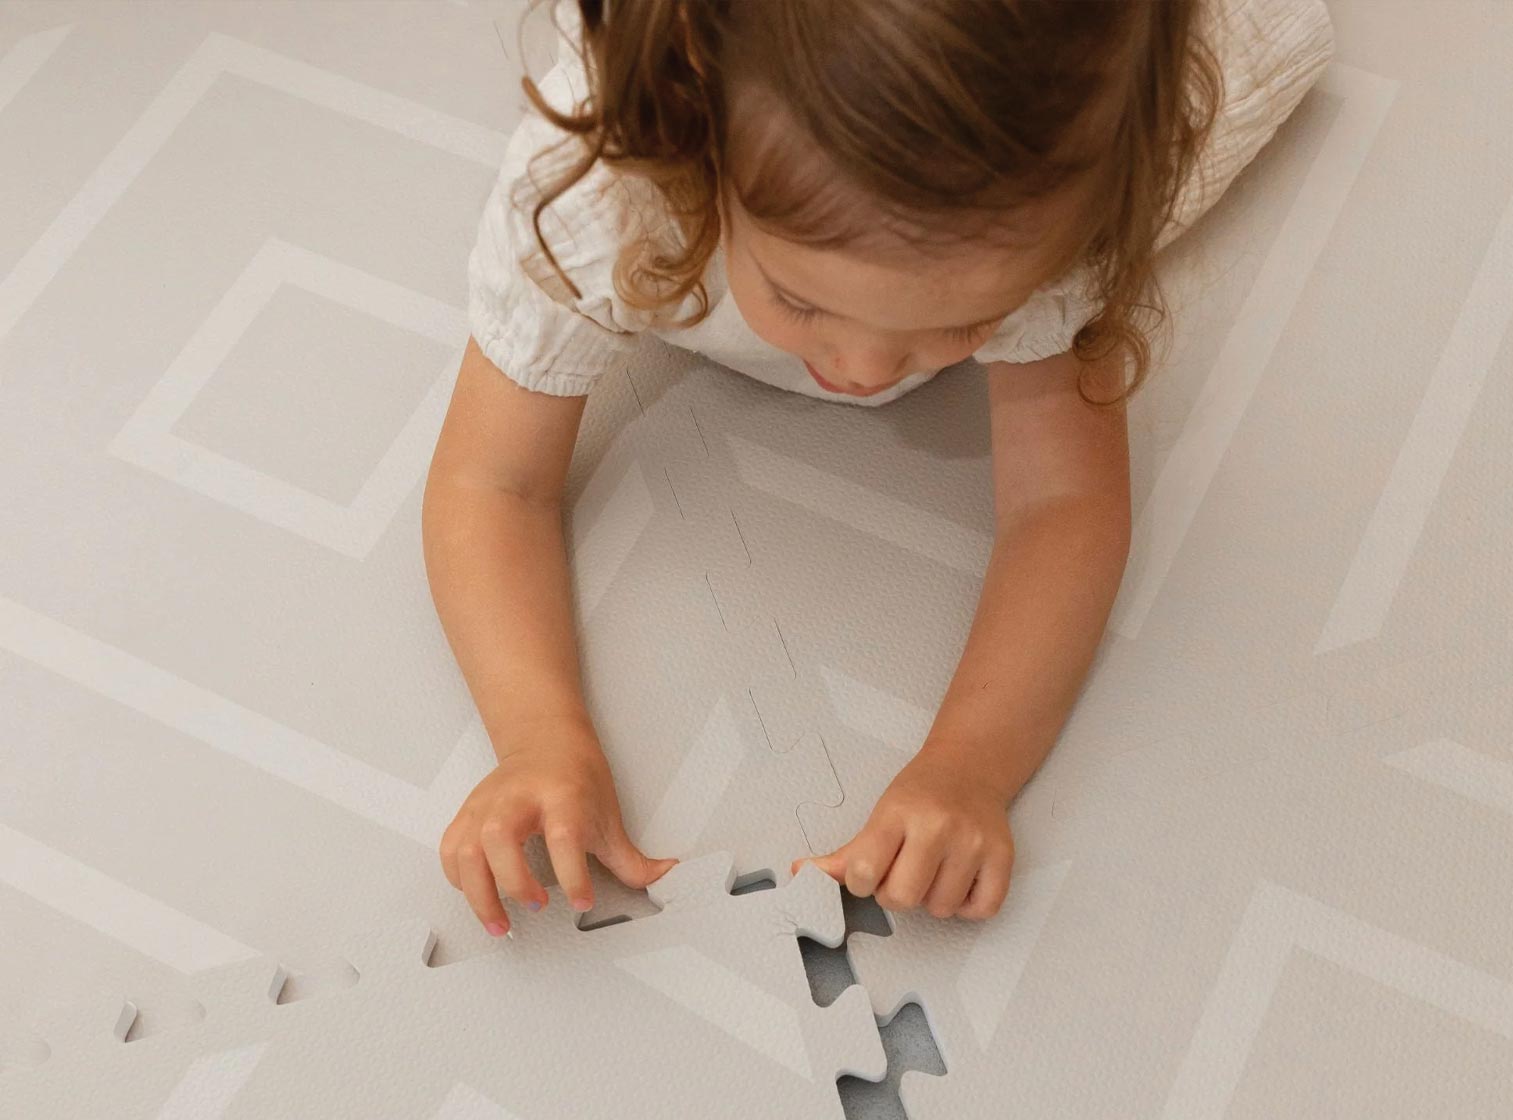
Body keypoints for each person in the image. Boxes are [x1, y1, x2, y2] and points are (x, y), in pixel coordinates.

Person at [424, 0, 1335, 935]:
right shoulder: (598, 189)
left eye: (959, 323)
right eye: (801, 297)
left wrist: (968, 767)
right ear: (698, 126)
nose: (860, 371)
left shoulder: (1057, 191)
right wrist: (536, 735)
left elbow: (1063, 502)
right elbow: (490, 484)